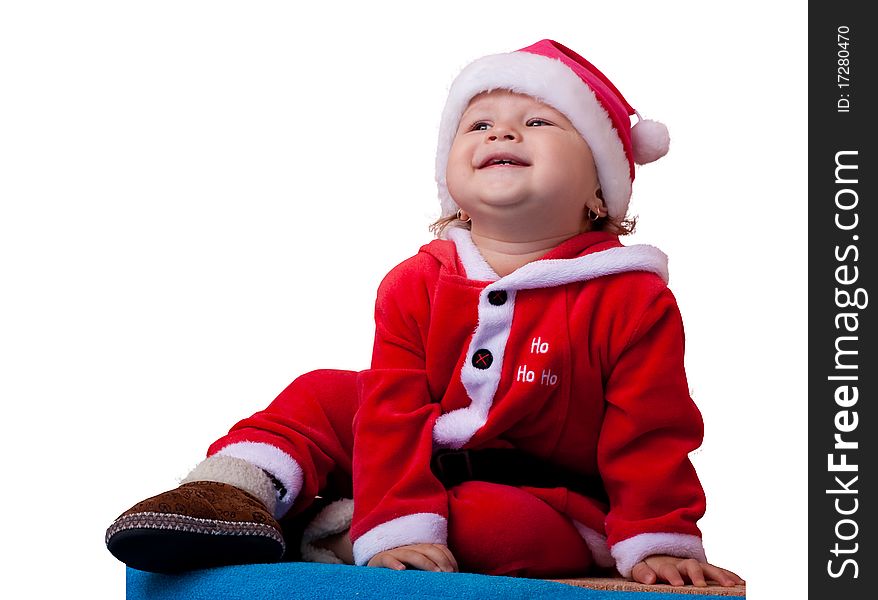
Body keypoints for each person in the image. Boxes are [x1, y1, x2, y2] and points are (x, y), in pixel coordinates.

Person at [106, 39, 744, 588]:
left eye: (541, 123)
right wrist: (401, 517)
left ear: (601, 191)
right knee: (325, 393)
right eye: (479, 124)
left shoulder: (631, 299)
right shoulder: (415, 282)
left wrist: (659, 537)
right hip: (412, 452)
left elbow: (651, 431)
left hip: (543, 494)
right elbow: (392, 410)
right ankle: (234, 494)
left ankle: (331, 526)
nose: (502, 132)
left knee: (504, 531)